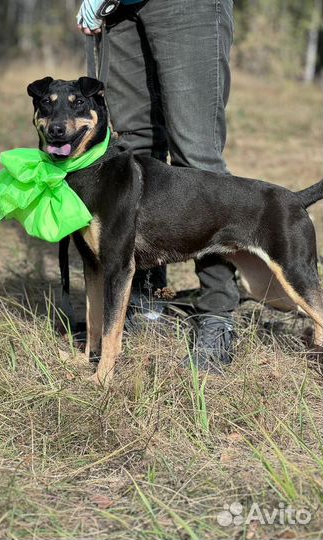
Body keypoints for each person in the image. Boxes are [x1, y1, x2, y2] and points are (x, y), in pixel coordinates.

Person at [77, 0, 239, 371]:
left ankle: (217, 315)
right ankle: (146, 301)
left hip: (185, 7)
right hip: (119, 10)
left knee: (197, 159)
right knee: (130, 153)